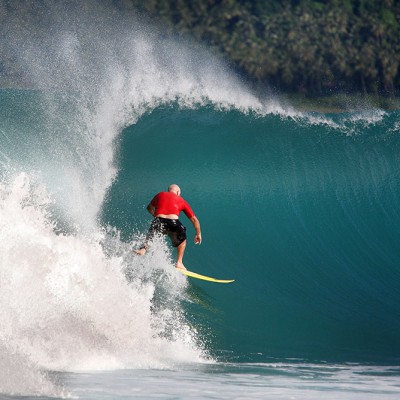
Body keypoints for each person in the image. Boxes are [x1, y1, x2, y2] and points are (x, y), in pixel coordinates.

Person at [134, 184, 202, 270]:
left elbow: (149, 208)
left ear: (168, 190)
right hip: (173, 222)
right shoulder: (181, 200)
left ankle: (142, 250)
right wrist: (198, 234)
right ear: (178, 192)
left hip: (159, 220)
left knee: (151, 235)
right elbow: (194, 219)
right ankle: (179, 263)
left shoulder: (160, 194)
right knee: (182, 239)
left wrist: (158, 217)